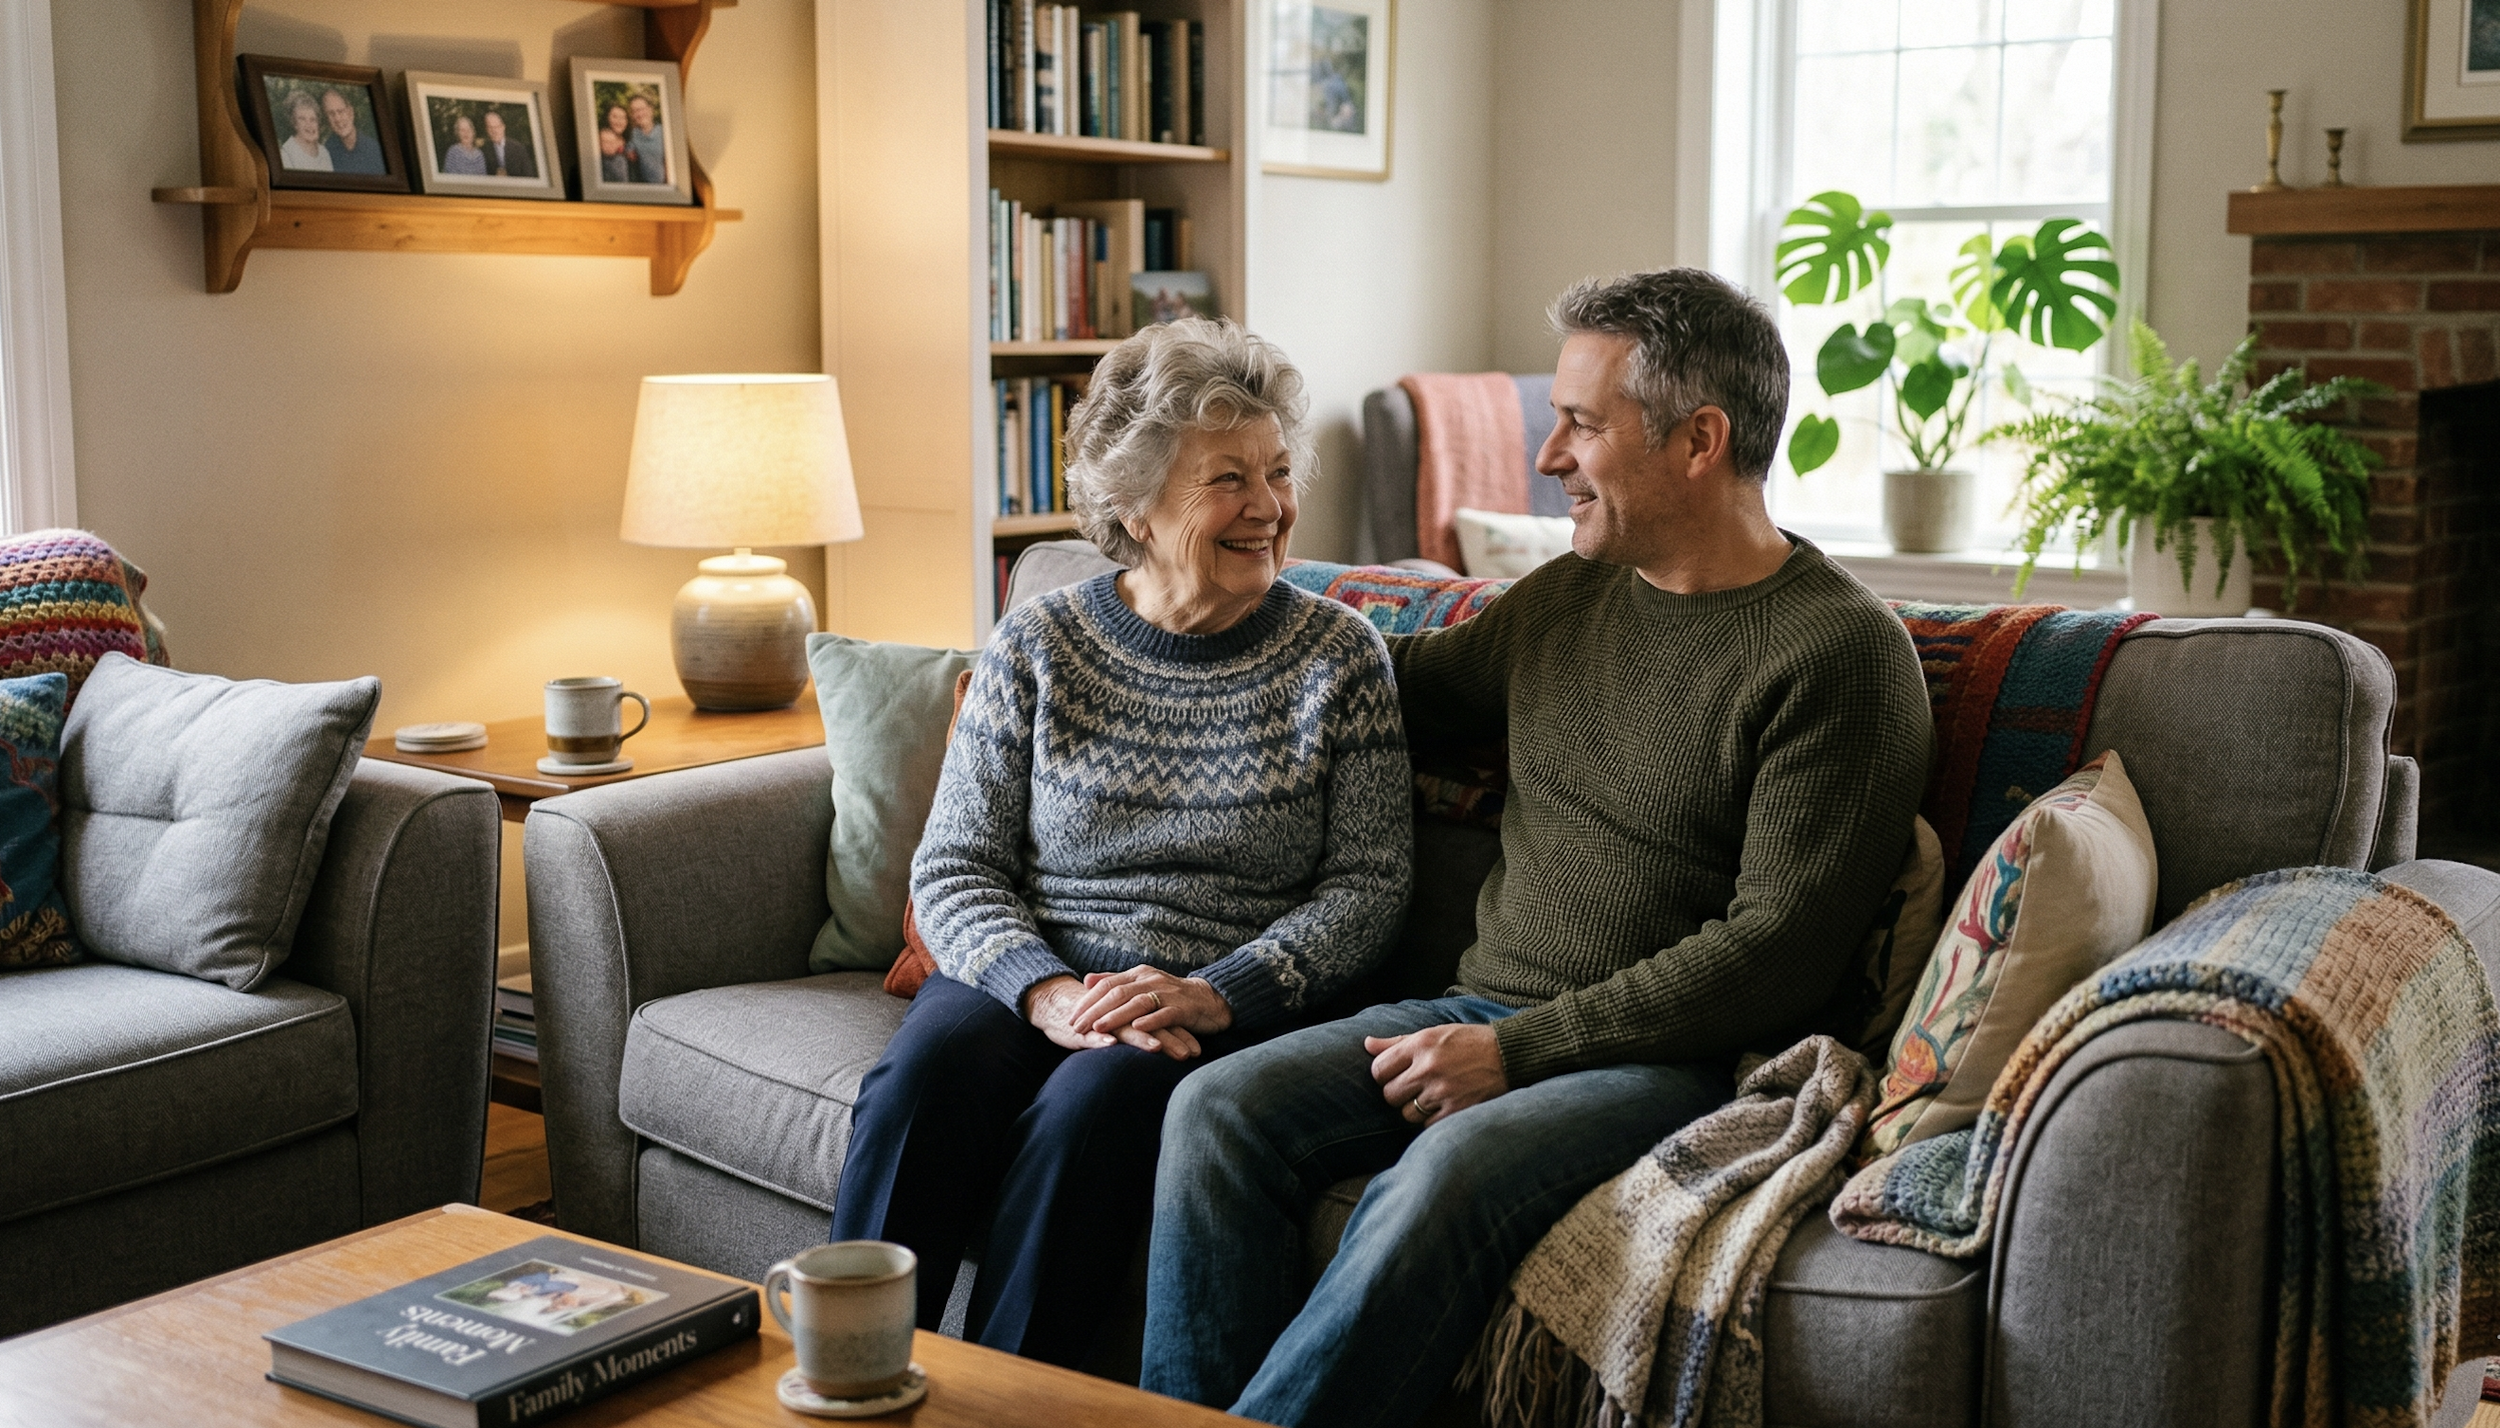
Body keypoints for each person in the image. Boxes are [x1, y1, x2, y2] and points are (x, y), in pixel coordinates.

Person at [1140, 268, 1933, 1428]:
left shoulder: (1839, 657)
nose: (1547, 456)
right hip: (1476, 1011)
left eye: (1580, 424)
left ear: (1699, 439)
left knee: (1441, 1178)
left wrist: (1517, 1050)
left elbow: (1777, 954)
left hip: (1674, 1065)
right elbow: (1379, 688)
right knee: (1216, 1112)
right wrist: (1172, 618)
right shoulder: (1567, 598)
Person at [826, 317, 1412, 1372]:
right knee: (925, 1079)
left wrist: (1221, 990)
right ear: (1135, 506)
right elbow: (956, 864)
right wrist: (1041, 989)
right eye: (1228, 479)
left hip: (1207, 997)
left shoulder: (1339, 656)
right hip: (1035, 964)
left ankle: (1006, 1400)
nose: (1270, 507)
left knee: (1093, 1109)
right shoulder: (1043, 643)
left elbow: (1368, 889)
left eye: (1278, 472)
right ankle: (853, 1376)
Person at [320, 88, 386, 174]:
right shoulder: (326, 153)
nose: (337, 119)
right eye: (331, 114)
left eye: (340, 111)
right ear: (327, 120)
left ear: (350, 112)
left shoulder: (375, 150)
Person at [275, 90, 332, 171]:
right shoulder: (286, 154)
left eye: (313, 119)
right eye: (302, 119)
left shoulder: (324, 153)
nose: (309, 125)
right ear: (294, 123)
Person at [623, 94, 667, 184]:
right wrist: (628, 153)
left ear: (650, 110)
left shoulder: (664, 131)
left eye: (641, 109)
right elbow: (627, 149)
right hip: (646, 186)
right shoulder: (633, 134)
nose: (639, 114)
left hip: (666, 185)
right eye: (634, 111)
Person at [481, 108, 536, 179]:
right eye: (490, 128)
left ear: (503, 127)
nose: (494, 131)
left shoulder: (518, 148)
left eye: (496, 127)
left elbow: (529, 176)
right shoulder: (483, 151)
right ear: (486, 130)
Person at [597, 103, 633, 183]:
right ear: (607, 118)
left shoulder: (627, 141)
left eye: (623, 118)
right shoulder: (602, 136)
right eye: (615, 116)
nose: (619, 121)